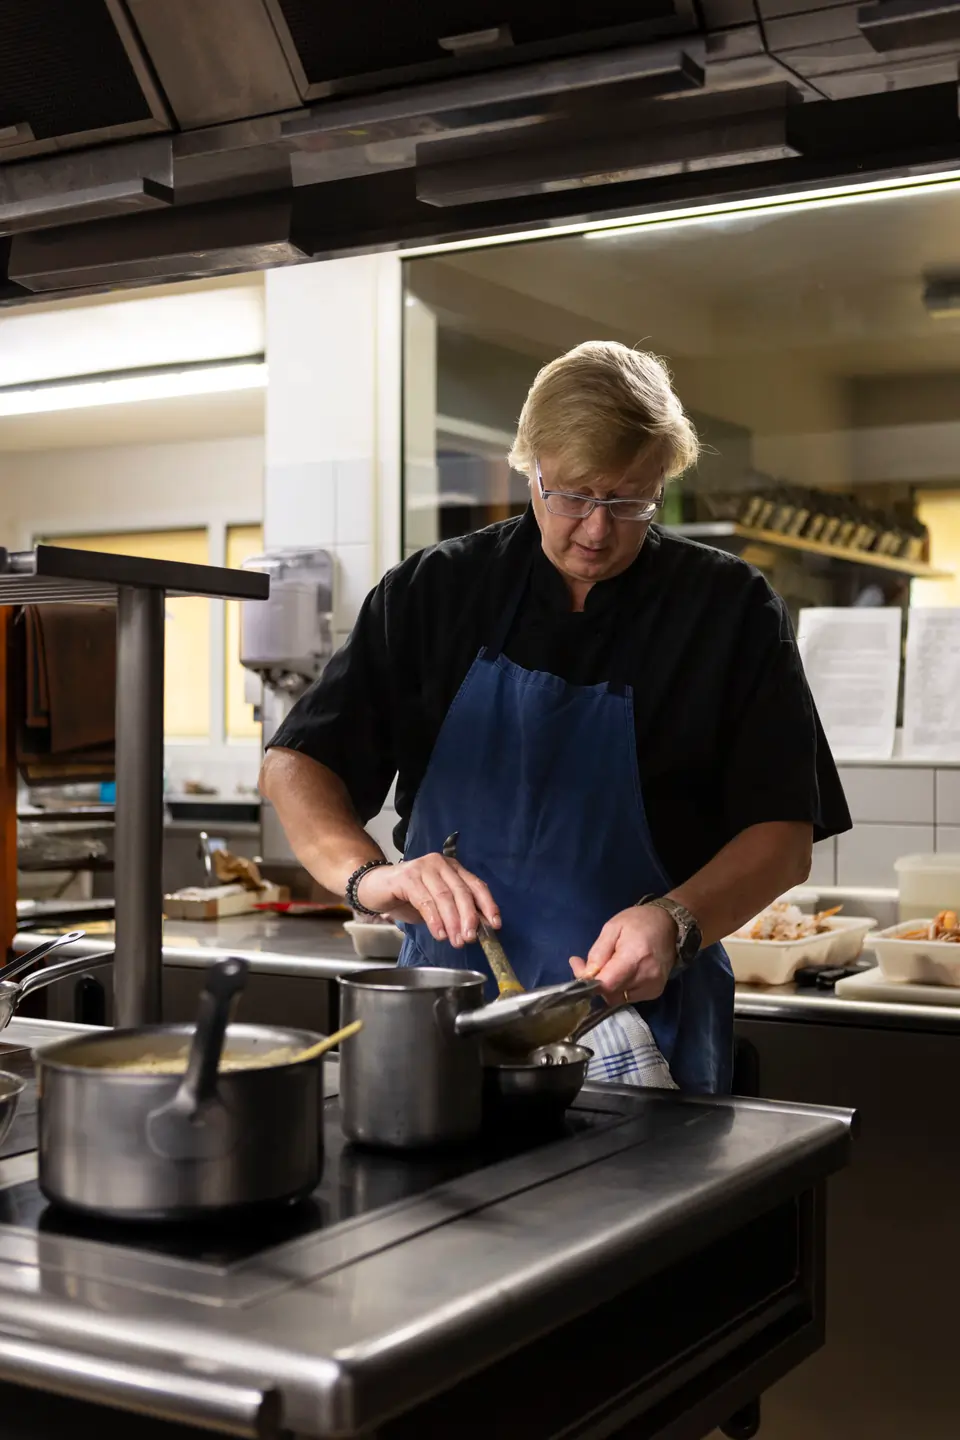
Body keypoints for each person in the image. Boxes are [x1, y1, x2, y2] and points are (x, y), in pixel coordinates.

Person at [260, 341, 850, 1093]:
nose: (596, 530)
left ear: (664, 479)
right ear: (528, 468)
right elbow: (296, 765)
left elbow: (783, 836)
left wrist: (675, 920)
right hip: (450, 1018)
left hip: (649, 1018)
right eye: (571, 495)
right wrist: (369, 877)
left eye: (629, 499)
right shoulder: (434, 592)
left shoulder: (729, 611)